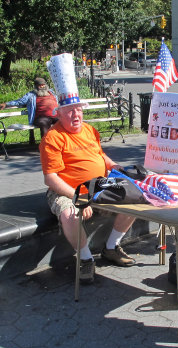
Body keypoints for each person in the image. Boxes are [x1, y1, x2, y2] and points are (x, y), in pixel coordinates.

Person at [40, 53, 136, 284]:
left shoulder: (90, 130)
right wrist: (79, 196)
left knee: (134, 198)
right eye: (70, 111)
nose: (76, 115)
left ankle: (111, 246)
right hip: (68, 190)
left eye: (79, 110)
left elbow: (99, 155)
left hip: (99, 185)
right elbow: (51, 179)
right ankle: (84, 259)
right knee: (70, 214)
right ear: (60, 114)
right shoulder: (52, 138)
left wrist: (115, 166)